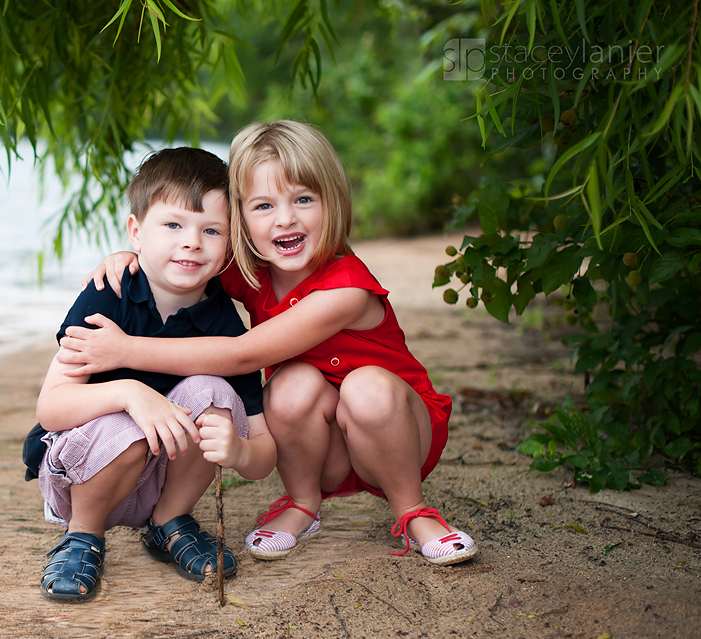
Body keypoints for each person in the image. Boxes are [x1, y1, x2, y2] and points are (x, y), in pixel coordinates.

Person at [58, 120, 479, 567]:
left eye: (303, 199)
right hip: (325, 445)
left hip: (399, 433)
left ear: (332, 201)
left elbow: (245, 353)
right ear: (240, 218)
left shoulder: (347, 290)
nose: (284, 218)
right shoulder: (250, 269)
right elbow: (180, 255)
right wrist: (129, 258)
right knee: (291, 382)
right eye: (262, 206)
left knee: (366, 386)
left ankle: (413, 511)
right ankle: (302, 503)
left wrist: (126, 350)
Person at [23, 146, 276, 602]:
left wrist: (237, 450)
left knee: (214, 391)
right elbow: (51, 408)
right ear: (136, 232)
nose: (192, 242)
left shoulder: (225, 327)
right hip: (84, 477)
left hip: (163, 481)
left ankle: (169, 523)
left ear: (230, 244)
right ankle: (82, 537)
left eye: (211, 230)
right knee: (128, 421)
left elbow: (264, 453)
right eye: (174, 225)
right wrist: (130, 394)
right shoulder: (108, 293)